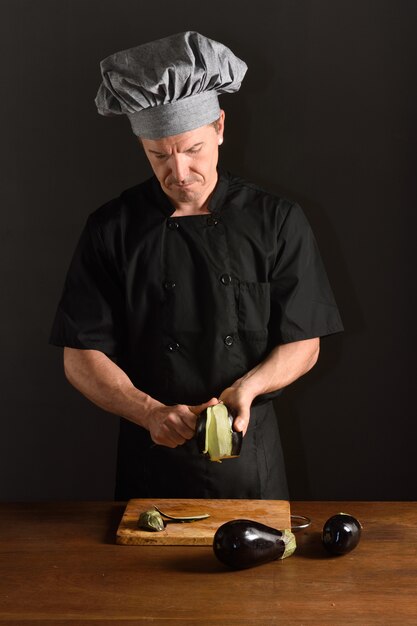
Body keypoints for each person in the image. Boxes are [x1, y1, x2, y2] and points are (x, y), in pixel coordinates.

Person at [50, 31, 343, 500]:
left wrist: (247, 389)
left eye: (192, 150)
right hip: (152, 460)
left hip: (250, 461)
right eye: (159, 156)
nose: (179, 172)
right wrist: (148, 412)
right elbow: (80, 357)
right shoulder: (111, 228)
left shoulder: (277, 220)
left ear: (220, 128)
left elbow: (304, 342)